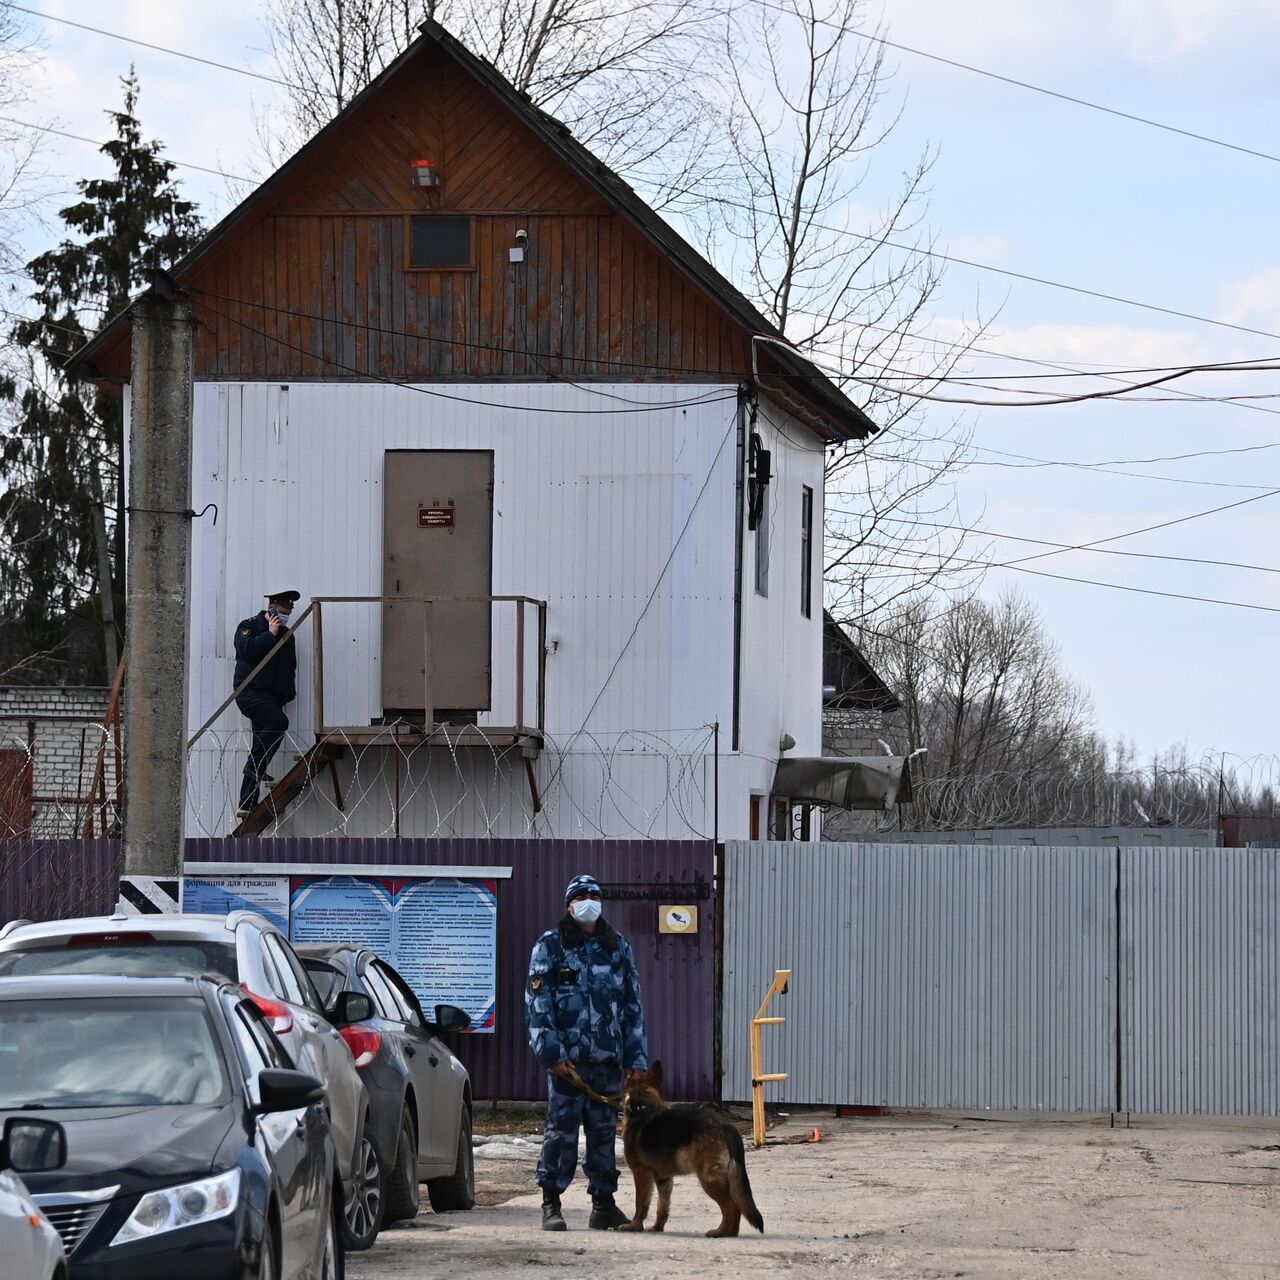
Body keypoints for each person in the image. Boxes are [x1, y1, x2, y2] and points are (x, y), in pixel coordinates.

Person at [525, 873, 648, 1232]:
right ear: (569, 904)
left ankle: (603, 1204)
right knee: (560, 1134)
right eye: (581, 896)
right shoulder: (551, 946)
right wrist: (551, 1053)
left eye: (594, 895)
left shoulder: (618, 947)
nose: (588, 901)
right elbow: (538, 1003)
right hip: (568, 1064)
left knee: (604, 1135)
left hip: (607, 1061)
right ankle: (551, 1202)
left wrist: (636, 1057)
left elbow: (632, 1005)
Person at [233, 589, 300, 817]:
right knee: (278, 723)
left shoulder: (287, 634)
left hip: (272, 697)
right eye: (282, 609)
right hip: (250, 692)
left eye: (289, 610)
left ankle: (247, 801)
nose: (285, 614)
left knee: (259, 747)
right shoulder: (249, 626)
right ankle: (254, 767)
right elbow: (245, 651)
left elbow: (289, 667)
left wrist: (287, 694)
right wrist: (269, 634)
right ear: (271, 606)